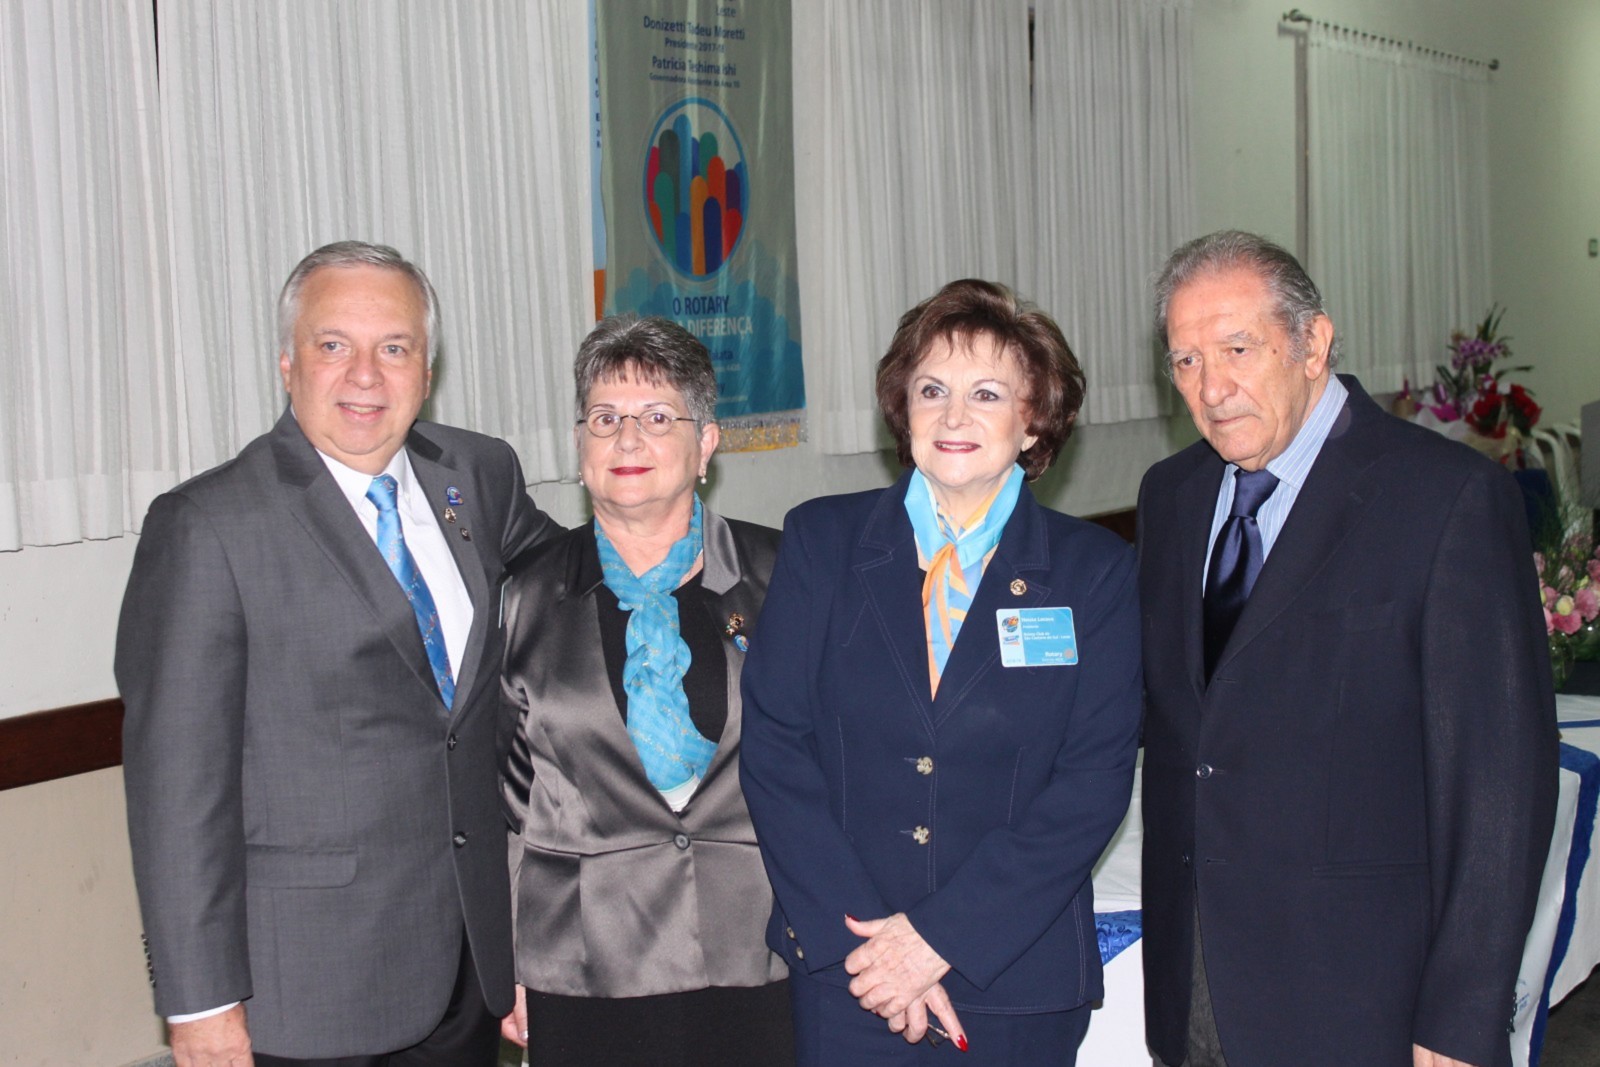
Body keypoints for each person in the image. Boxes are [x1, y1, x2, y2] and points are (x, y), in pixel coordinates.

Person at [117, 241, 559, 1066]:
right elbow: (175, 790)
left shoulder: (478, 475)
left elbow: (568, 584)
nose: (365, 375)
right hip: (304, 993)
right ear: (288, 363)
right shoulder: (209, 525)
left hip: (468, 971)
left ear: (427, 370)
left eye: (394, 347)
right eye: (333, 345)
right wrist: (201, 1002)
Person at [1137, 230, 1558, 1067]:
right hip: (1194, 985)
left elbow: (1499, 780)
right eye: (1186, 360)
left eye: (1237, 348)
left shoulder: (1444, 497)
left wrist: (1462, 1014)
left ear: (1313, 343)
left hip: (1359, 997)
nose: (1211, 387)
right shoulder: (1172, 496)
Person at [739, 279, 1143, 1065]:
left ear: (1033, 420)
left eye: (986, 393)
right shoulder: (822, 542)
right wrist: (873, 953)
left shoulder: (1094, 572)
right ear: (904, 408)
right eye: (932, 390)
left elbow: (1092, 783)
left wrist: (938, 939)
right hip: (849, 972)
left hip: (1015, 976)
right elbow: (776, 749)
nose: (954, 416)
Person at [498, 315, 793, 1066]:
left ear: (707, 443)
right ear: (580, 444)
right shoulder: (523, 596)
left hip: (760, 944)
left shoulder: (785, 574)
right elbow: (506, 798)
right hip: (584, 959)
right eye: (605, 418)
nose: (627, 439)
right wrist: (509, 956)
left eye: (658, 417)